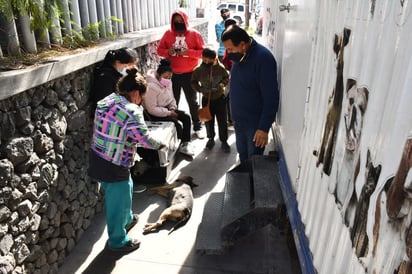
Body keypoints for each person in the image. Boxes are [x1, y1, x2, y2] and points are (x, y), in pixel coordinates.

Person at [88, 68, 165, 252]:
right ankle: (118, 241)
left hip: (99, 155)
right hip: (114, 163)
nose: (141, 102)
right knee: (117, 202)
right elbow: (144, 139)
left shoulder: (108, 100)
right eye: (142, 98)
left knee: (126, 188)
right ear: (136, 93)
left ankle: (127, 219)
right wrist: (162, 144)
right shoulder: (131, 110)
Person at [221, 25, 279, 162]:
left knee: (254, 161)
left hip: (254, 125)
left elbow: (271, 97)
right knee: (243, 157)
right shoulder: (240, 56)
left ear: (242, 44)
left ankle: (252, 182)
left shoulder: (263, 59)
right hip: (239, 121)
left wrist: (263, 128)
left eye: (230, 49)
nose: (228, 53)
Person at [157, 9, 205, 139]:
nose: (178, 23)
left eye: (180, 20)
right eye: (176, 21)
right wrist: (169, 52)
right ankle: (176, 127)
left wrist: (188, 52)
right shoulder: (168, 34)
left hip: (190, 73)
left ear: (185, 20)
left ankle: (197, 126)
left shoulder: (194, 34)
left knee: (193, 102)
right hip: (172, 75)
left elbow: (202, 53)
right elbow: (159, 50)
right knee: (173, 101)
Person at [143, 58, 194, 157]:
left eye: (170, 77)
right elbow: (152, 109)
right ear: (158, 75)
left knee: (186, 117)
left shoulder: (168, 83)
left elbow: (171, 98)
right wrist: (169, 113)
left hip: (167, 109)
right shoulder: (151, 87)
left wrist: (172, 108)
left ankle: (186, 143)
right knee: (176, 124)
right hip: (154, 113)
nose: (168, 80)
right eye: (165, 77)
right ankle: (175, 145)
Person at [191, 48, 230, 152]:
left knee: (222, 121)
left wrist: (221, 85)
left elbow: (227, 77)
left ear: (214, 59)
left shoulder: (220, 68)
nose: (207, 62)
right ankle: (210, 138)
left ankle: (224, 141)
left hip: (220, 98)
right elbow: (193, 82)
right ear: (202, 57)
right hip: (206, 99)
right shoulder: (198, 70)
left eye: (210, 60)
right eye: (205, 59)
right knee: (208, 120)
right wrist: (200, 89)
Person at [221, 18, 238, 127]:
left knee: (232, 96)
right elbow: (226, 57)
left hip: (234, 69)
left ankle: (232, 119)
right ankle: (230, 119)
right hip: (230, 69)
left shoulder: (237, 37)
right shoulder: (226, 36)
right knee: (228, 95)